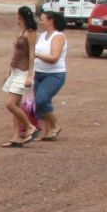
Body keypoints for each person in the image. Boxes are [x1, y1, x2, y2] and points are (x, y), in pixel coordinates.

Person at [2, 5, 39, 146]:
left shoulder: (30, 32)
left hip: (23, 71)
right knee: (16, 104)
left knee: (10, 104)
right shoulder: (22, 31)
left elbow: (31, 53)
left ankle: (30, 127)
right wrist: (9, 72)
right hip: (16, 70)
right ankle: (16, 136)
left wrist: (30, 75)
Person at [32, 8, 67, 140]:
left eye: (42, 19)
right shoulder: (42, 36)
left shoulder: (58, 36)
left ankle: (55, 125)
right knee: (40, 103)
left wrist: (36, 54)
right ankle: (44, 132)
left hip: (54, 74)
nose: (40, 22)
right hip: (40, 73)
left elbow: (54, 58)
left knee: (41, 99)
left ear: (50, 21)